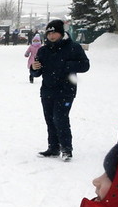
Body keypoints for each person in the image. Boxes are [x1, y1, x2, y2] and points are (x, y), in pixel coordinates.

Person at [31, 20, 90, 161]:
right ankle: (53, 148)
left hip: (66, 90)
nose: (51, 36)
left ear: (61, 33)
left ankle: (66, 149)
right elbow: (36, 73)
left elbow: (85, 65)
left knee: (60, 118)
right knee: (50, 120)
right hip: (47, 90)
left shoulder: (73, 48)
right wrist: (34, 68)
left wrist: (66, 65)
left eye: (54, 32)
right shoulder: (43, 50)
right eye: (49, 33)